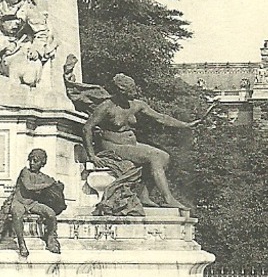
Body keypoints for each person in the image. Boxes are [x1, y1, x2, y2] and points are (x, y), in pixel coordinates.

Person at [83, 73, 205, 210]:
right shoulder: (107, 107)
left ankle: (144, 195)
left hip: (131, 144)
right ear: (121, 91)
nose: (135, 93)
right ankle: (168, 199)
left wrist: (186, 125)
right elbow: (87, 128)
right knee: (154, 157)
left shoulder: (137, 105)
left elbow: (160, 118)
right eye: (131, 91)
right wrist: (92, 155)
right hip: (114, 146)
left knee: (165, 156)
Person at [9, 148, 65, 258]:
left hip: (32, 203)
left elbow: (54, 186)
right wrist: (48, 185)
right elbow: (29, 187)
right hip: (19, 201)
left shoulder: (42, 177)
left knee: (51, 214)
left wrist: (58, 187)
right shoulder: (25, 172)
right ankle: (21, 243)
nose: (32, 163)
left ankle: (51, 238)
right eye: (31, 160)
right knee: (17, 214)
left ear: (42, 163)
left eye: (35, 161)